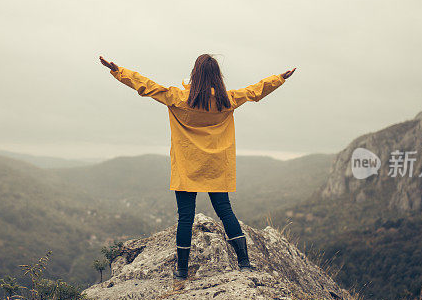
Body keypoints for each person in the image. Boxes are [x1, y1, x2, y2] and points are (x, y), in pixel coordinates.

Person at [99, 53, 295, 279]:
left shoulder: (178, 98)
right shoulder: (227, 100)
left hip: (187, 165)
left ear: (195, 74)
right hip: (216, 166)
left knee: (185, 217)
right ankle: (244, 263)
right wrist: (279, 78)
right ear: (217, 77)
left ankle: (182, 271)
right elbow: (255, 91)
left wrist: (117, 70)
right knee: (225, 211)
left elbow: (145, 85)